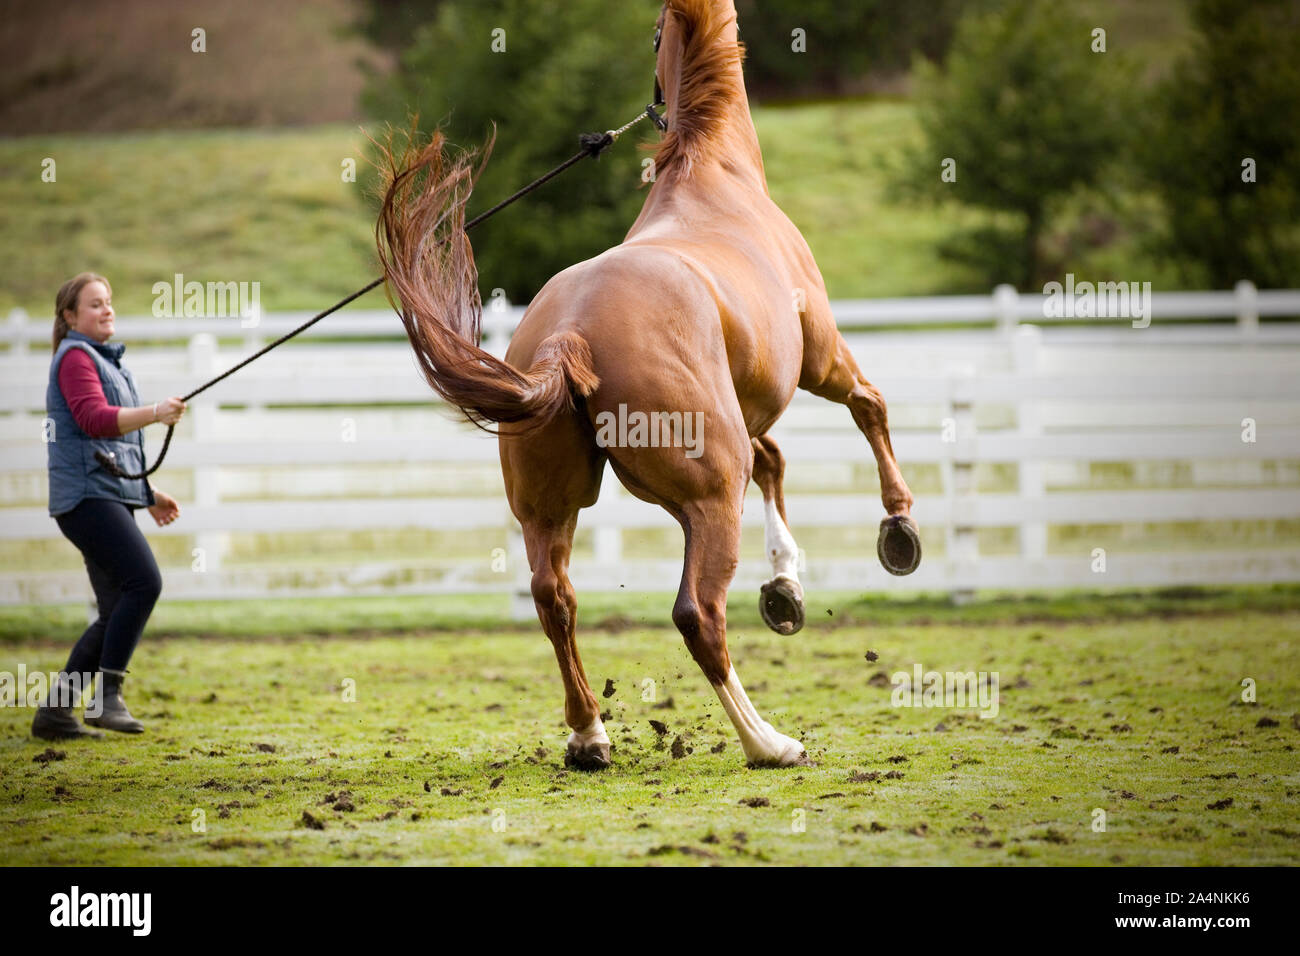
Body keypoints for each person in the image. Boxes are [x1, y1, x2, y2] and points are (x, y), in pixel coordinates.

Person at [32, 272, 187, 741]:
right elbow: (95, 422)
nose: (107, 310)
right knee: (143, 583)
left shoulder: (102, 360)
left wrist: (147, 494)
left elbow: (110, 452)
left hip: (102, 494)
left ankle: (56, 712)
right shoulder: (76, 357)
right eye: (95, 304)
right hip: (86, 499)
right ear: (70, 317)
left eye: (109, 302)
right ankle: (107, 696)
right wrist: (156, 413)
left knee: (117, 603)